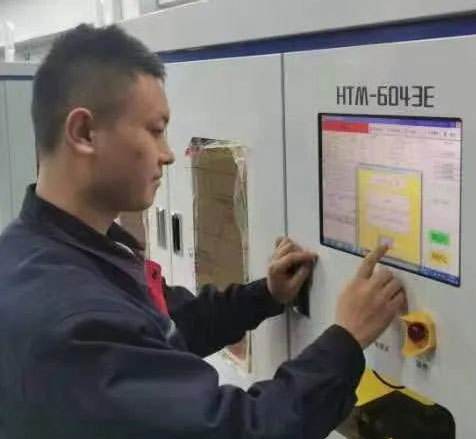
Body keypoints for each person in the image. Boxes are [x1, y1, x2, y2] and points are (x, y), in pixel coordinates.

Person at [0, 24, 407, 439]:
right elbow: (239, 430)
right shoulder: (72, 321)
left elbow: (167, 326)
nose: (168, 154)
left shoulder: (51, 253)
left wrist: (265, 295)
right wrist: (346, 340)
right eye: (155, 130)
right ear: (84, 133)